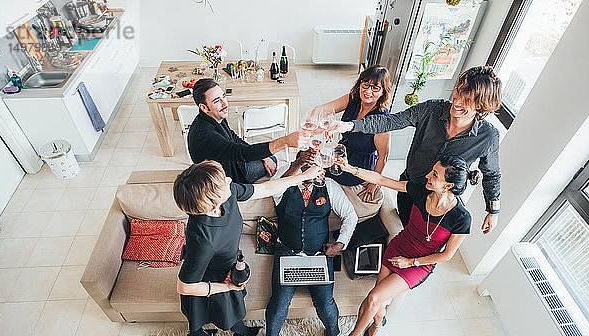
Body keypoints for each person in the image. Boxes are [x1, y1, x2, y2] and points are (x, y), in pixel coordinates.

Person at [333, 156, 478, 336]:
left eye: (435, 175)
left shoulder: (461, 218)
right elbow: (382, 180)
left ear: (448, 185)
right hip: (399, 247)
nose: (428, 175)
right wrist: (351, 168)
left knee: (374, 297)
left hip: (419, 264)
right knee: (379, 299)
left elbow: (446, 255)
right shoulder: (422, 190)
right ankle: (378, 323)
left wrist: (411, 263)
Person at [329, 66, 502, 234]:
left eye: (467, 100)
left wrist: (493, 211)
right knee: (405, 230)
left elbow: (492, 174)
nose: (456, 101)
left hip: (439, 199)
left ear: (481, 106)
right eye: (458, 92)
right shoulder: (431, 109)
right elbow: (390, 121)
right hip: (408, 190)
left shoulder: (488, 137)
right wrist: (350, 125)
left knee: (427, 240)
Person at [173, 160, 322, 336]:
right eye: (223, 182)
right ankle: (216, 333)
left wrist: (304, 176)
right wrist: (225, 287)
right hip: (214, 277)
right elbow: (185, 286)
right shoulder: (204, 241)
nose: (229, 179)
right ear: (212, 204)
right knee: (227, 311)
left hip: (228, 263)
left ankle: (198, 333)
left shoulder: (228, 194)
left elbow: (265, 189)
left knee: (208, 310)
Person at [259, 149, 358, 336]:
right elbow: (275, 186)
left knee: (325, 303)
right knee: (278, 303)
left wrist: (340, 245)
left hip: (318, 254)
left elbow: (350, 216)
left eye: (315, 166)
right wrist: (296, 167)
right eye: (307, 164)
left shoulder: (329, 186)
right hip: (287, 252)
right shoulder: (283, 182)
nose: (313, 170)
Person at [188, 78, 309, 183]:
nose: (224, 103)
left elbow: (234, 138)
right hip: (224, 177)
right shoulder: (205, 135)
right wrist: (286, 141)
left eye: (223, 96)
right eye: (216, 101)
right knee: (273, 158)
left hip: (229, 162)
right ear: (204, 107)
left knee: (267, 156)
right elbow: (241, 153)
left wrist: (263, 157)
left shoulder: (214, 115)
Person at [310, 65, 392, 222]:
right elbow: (321, 109)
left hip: (358, 166)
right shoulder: (353, 98)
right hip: (341, 153)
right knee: (308, 160)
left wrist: (373, 184)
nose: (368, 91)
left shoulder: (382, 120)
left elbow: (384, 156)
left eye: (375, 88)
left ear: (383, 92)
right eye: (365, 84)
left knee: (322, 181)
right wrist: (315, 123)